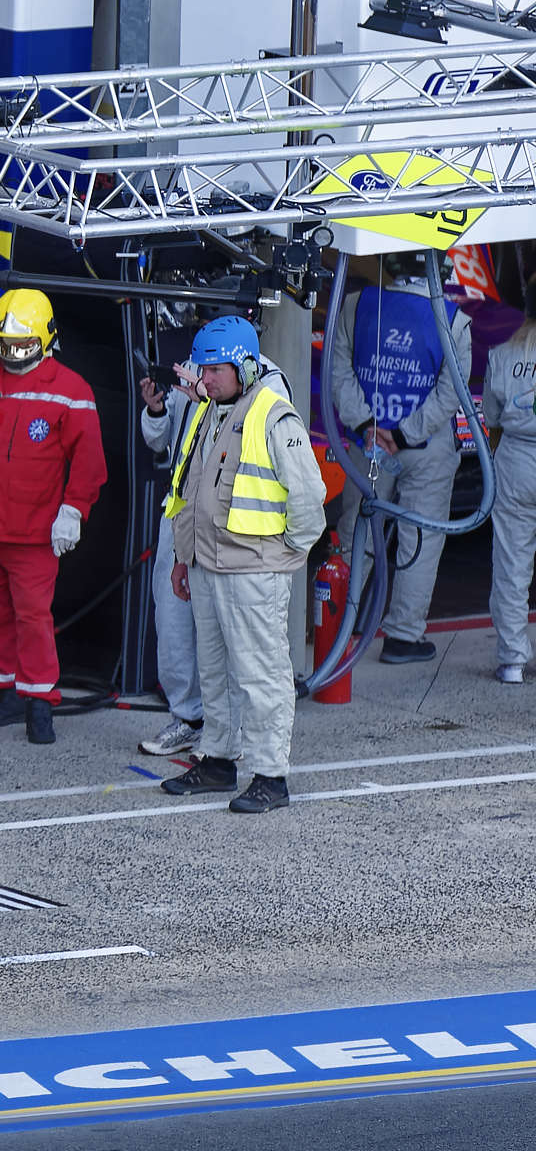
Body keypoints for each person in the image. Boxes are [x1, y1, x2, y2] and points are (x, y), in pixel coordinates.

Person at [158, 317, 327, 815]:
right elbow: (191, 489)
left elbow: (309, 497)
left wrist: (287, 554)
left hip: (253, 571)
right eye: (203, 369)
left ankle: (270, 776)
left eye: (215, 370)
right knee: (215, 672)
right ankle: (218, 759)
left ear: (245, 367)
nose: (204, 379)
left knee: (261, 674)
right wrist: (183, 558)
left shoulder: (274, 415)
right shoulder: (211, 411)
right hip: (208, 565)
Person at [0, 289, 106, 744]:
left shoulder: (71, 391)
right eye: (4, 345)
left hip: (33, 533)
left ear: (46, 338)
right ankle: (6, 693)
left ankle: (39, 701)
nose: (12, 354)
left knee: (33, 618)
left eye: (22, 345)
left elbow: (90, 462)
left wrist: (72, 512)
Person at [328, 252, 472, 664]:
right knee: (420, 541)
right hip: (426, 449)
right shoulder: (455, 320)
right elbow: (453, 393)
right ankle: (403, 637)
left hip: (368, 444)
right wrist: (405, 432)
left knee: (358, 532)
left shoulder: (355, 305)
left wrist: (368, 425)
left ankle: (338, 626)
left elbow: (338, 374)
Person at [136, 361, 207, 755]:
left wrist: (208, 394)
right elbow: (160, 441)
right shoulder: (189, 368)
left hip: (226, 519)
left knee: (224, 629)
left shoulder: (263, 375)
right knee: (173, 620)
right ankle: (188, 718)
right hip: (178, 510)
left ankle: (227, 732)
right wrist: (156, 409)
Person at [484, 297, 536, 684]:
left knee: (511, 564)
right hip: (517, 455)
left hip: (516, 458)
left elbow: (491, 417)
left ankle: (513, 661)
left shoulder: (502, 354)